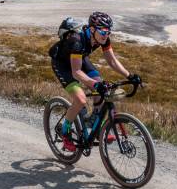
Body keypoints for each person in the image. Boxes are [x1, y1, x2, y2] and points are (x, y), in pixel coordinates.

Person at [49, 11, 138, 153]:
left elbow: (112, 61)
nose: (106, 35)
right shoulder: (77, 41)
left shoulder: (102, 39)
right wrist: (95, 85)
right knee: (81, 99)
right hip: (63, 65)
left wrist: (130, 75)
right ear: (92, 30)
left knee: (102, 91)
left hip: (79, 58)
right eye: (103, 32)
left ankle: (94, 125)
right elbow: (76, 72)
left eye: (109, 32)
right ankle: (65, 132)